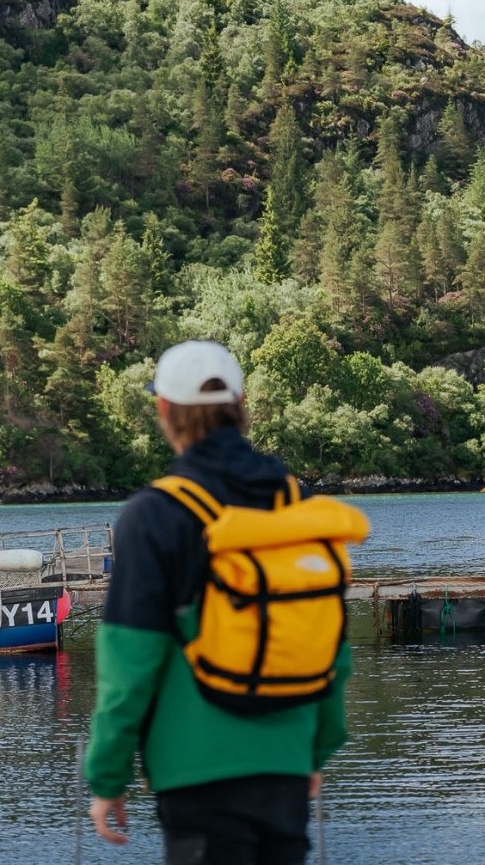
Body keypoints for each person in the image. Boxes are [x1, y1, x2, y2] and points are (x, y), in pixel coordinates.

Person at [85, 340, 350, 864]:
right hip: (287, 764)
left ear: (164, 408)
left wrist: (108, 775)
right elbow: (330, 643)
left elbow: (129, 665)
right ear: (242, 405)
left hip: (195, 771)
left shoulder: (155, 515)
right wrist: (316, 749)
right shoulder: (295, 504)